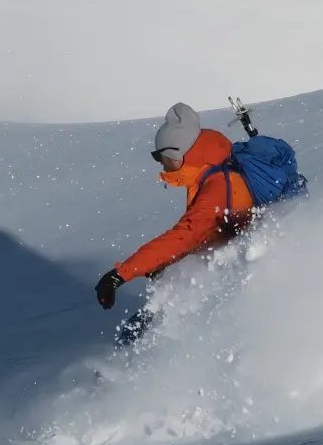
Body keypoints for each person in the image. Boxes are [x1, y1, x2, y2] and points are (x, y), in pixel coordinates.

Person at [94, 103, 255, 319]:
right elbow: (206, 232)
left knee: (146, 327)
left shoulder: (218, 185)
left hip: (237, 280)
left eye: (160, 156)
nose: (161, 164)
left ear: (178, 155)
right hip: (227, 265)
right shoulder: (214, 170)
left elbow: (185, 236)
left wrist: (121, 274)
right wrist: (164, 263)